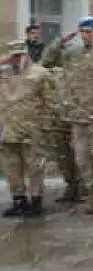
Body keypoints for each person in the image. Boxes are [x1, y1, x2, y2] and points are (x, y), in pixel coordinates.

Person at [41, 16, 93, 216]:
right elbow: (47, 61)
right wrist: (60, 41)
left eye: (90, 30)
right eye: (83, 30)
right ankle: (91, 198)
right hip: (77, 117)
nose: (86, 34)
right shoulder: (72, 54)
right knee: (83, 160)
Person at [0, 40, 57, 219]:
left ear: (27, 54)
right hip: (8, 129)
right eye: (14, 55)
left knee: (35, 168)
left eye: (20, 54)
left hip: (33, 130)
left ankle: (36, 202)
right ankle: (19, 201)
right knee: (11, 168)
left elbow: (51, 102)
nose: (17, 59)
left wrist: (46, 127)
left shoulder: (40, 74)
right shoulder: (4, 74)